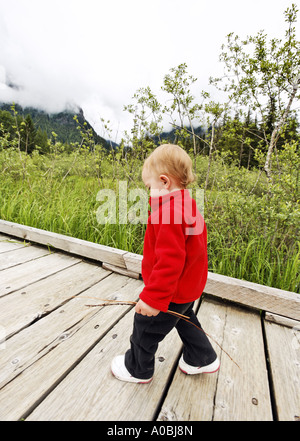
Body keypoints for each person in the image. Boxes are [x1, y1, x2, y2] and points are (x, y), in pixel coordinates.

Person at [111, 144, 219, 383]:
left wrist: (152, 298)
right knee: (184, 317)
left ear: (164, 181)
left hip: (170, 292)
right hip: (187, 290)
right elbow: (195, 252)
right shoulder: (189, 206)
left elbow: (170, 262)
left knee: (145, 325)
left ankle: (137, 369)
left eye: (149, 187)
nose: (148, 192)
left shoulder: (167, 214)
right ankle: (202, 357)